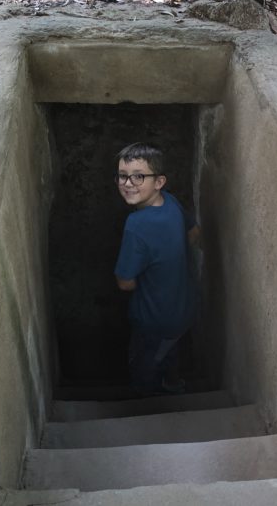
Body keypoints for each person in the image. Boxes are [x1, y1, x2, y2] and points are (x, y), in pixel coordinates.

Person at [114, 142, 200, 395]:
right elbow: (194, 234)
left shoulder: (136, 225)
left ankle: (149, 401)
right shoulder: (170, 201)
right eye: (122, 176)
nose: (128, 183)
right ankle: (173, 383)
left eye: (139, 176)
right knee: (170, 350)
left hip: (155, 319)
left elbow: (125, 282)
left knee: (145, 365)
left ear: (159, 181)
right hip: (184, 306)